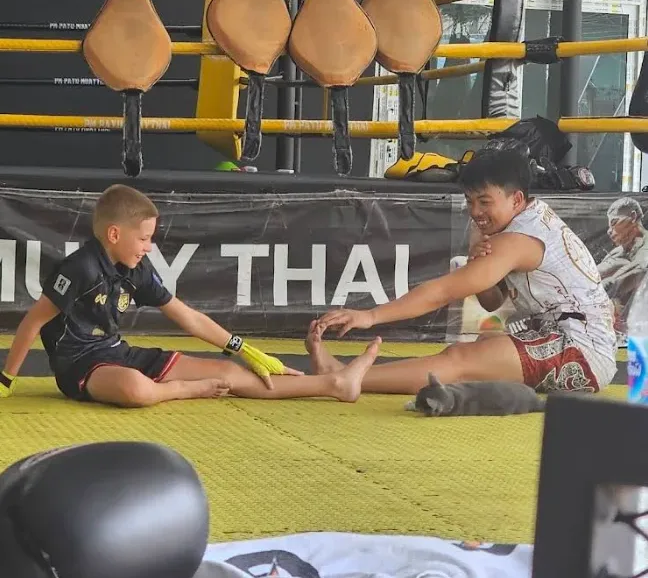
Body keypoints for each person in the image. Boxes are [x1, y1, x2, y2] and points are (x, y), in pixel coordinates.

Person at [0, 184, 380, 407]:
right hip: (81, 369)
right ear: (114, 235)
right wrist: (6, 379)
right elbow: (34, 321)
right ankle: (183, 390)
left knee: (232, 373)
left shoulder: (138, 270)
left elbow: (188, 317)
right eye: (144, 238)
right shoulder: (80, 267)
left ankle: (334, 384)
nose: (149, 247)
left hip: (118, 353)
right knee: (135, 389)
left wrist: (244, 349)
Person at [311, 149, 617, 395]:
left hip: (583, 353)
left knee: (458, 360)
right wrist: (476, 256)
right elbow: (491, 301)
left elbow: (443, 292)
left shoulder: (518, 239)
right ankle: (344, 373)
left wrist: (370, 316)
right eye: (470, 201)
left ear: (517, 199)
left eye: (485, 202)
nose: (475, 212)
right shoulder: (523, 219)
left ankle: (346, 376)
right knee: (470, 349)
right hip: (565, 339)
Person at [597, 197, 648, 335]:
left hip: (639, 329)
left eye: (614, 222)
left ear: (633, 217)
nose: (609, 231)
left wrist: (610, 285)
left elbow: (641, 269)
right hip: (611, 330)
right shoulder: (616, 254)